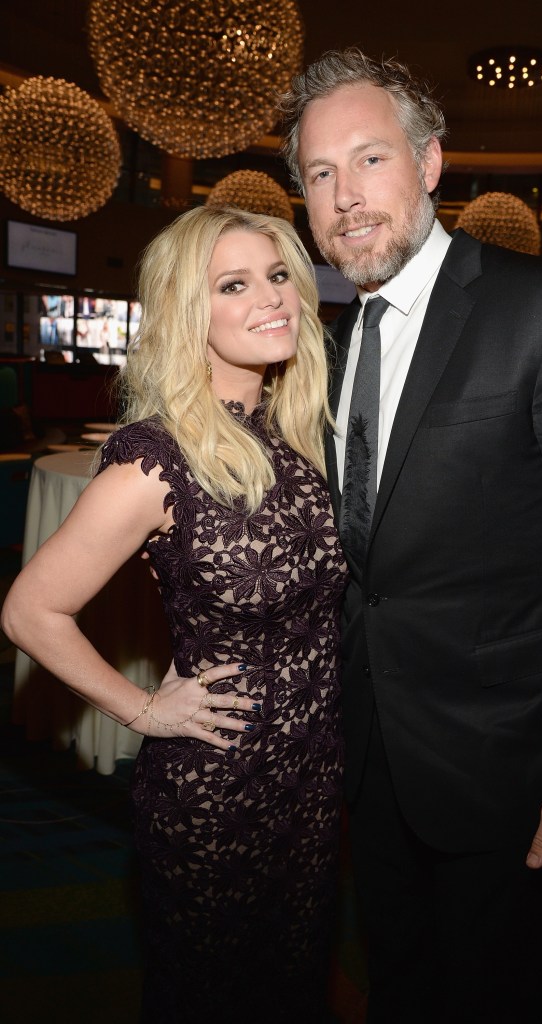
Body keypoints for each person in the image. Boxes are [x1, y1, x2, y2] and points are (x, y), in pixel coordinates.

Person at [279, 48, 542, 1023]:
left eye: (369, 160)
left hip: (502, 765)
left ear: (430, 163)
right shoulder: (326, 342)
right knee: (398, 983)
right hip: (368, 756)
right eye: (319, 174)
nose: (345, 197)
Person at [1, 206, 348, 1023]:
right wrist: (146, 709)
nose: (272, 298)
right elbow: (30, 610)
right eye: (234, 284)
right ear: (191, 316)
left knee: (294, 983)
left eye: (276, 276)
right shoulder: (157, 460)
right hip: (217, 785)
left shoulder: (300, 434)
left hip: (315, 775)